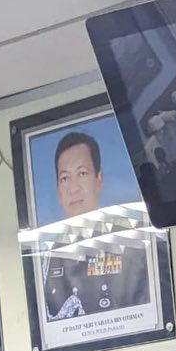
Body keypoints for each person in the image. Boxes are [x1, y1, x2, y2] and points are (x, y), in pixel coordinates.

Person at [43, 129, 151, 320]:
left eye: (82, 173)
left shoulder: (132, 242)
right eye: (65, 178)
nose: (74, 188)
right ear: (58, 188)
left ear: (98, 179)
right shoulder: (45, 256)